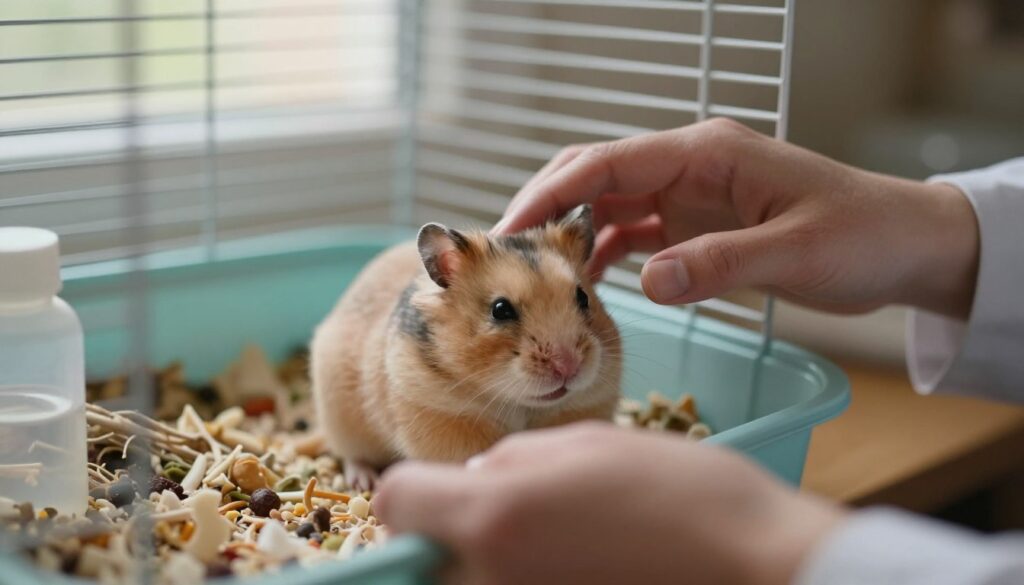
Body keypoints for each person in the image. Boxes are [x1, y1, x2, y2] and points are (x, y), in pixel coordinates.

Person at [373, 118, 1024, 585]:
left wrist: (755, 543)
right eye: (504, 311)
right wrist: (937, 231)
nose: (569, 359)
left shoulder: (589, 350)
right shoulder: (416, 356)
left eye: (579, 304)